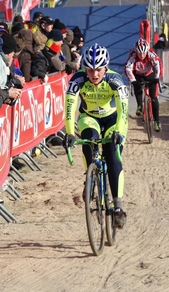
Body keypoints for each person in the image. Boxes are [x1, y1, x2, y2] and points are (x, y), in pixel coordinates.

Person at [63, 43, 128, 228]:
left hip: (113, 120)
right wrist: (69, 133)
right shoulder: (77, 80)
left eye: (99, 69)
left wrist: (118, 131)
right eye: (90, 70)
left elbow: (123, 112)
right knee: (89, 140)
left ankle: (118, 206)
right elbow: (69, 109)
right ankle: (89, 177)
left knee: (112, 155)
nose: (95, 74)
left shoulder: (116, 81)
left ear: (106, 67)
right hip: (88, 118)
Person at [125, 38, 162, 132]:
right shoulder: (133, 55)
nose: (141, 55)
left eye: (143, 53)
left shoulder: (151, 54)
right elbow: (128, 69)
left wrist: (156, 78)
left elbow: (158, 65)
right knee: (137, 86)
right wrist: (133, 81)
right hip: (138, 74)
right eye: (139, 53)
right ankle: (139, 106)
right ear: (136, 51)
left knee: (153, 97)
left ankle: (157, 121)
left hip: (150, 74)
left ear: (147, 51)